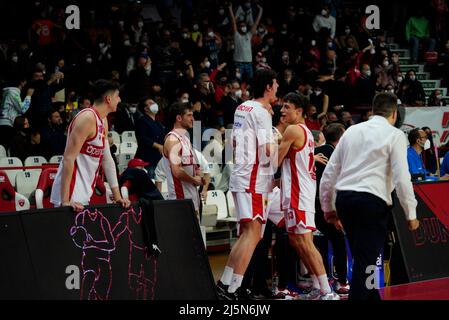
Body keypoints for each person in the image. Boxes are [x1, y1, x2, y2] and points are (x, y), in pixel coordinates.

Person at [320, 92, 420, 300]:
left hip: (345, 200)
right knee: (366, 261)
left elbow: (330, 173)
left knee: (365, 257)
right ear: (394, 114)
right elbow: (402, 178)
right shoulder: (395, 135)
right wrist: (411, 214)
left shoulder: (351, 131)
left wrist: (328, 208)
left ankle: (373, 298)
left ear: (374, 111)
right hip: (371, 202)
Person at [217, 69, 278, 300]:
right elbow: (268, 151)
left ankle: (225, 283)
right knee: (253, 235)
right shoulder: (261, 112)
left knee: (245, 234)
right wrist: (284, 144)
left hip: (240, 175)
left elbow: (238, 140)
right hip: (253, 179)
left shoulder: (242, 107)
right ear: (268, 87)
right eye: (276, 84)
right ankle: (234, 289)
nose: (277, 88)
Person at [277, 92, 339, 300]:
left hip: (298, 194)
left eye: (287, 107)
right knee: (297, 241)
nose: (282, 111)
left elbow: (275, 161)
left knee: (305, 243)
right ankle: (317, 285)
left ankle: (327, 291)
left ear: (299, 111)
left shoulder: (293, 129)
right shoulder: (304, 131)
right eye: (282, 107)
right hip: (297, 193)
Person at [50, 80, 131, 211]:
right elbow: (68, 158)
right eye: (117, 95)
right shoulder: (87, 118)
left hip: (83, 192)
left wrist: (118, 197)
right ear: (108, 99)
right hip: (70, 193)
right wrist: (65, 201)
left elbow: (107, 159)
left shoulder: (103, 120)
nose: (120, 99)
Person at [314, 123, 349, 296]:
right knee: (338, 242)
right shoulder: (339, 155)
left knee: (312, 245)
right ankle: (342, 282)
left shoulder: (312, 153)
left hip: (309, 205)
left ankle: (319, 281)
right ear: (341, 138)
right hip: (327, 205)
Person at [161, 102, 203, 216]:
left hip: (192, 200)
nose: (193, 119)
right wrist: (195, 180)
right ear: (179, 118)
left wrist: (198, 173)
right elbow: (177, 171)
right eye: (189, 115)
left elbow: (194, 166)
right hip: (180, 201)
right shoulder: (172, 140)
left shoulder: (185, 139)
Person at [0, 76, 34, 151]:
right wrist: (29, 96)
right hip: (6, 125)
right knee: (4, 149)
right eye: (25, 82)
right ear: (22, 82)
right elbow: (23, 109)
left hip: (6, 124)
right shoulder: (12, 92)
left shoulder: (8, 92)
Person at [134, 97, 165, 178]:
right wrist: (158, 146)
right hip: (147, 159)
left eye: (154, 102)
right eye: (151, 103)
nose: (154, 104)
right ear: (146, 109)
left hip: (158, 159)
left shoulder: (158, 122)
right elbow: (143, 138)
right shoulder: (141, 121)